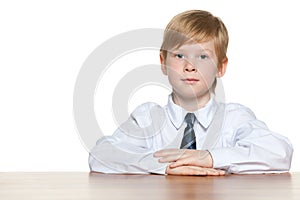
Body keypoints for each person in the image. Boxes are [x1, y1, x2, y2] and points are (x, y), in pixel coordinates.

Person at [89, 10, 293, 175]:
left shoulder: (233, 118)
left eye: (203, 57)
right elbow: (101, 154)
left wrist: (210, 157)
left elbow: (280, 152)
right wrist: (165, 165)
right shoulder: (148, 117)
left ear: (221, 67)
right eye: (179, 55)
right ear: (163, 63)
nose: (190, 66)